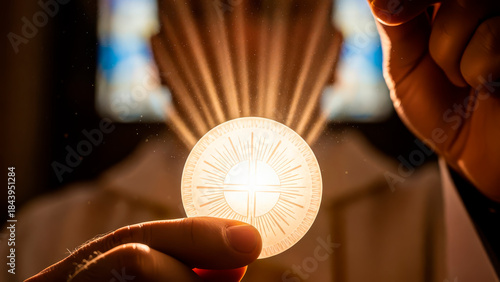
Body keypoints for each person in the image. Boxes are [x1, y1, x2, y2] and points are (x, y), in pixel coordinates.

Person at [17, 0, 500, 281]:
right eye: (208, 10)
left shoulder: (448, 217)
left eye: (277, 6)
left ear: (335, 50)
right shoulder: (37, 239)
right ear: (155, 51)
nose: (241, 38)